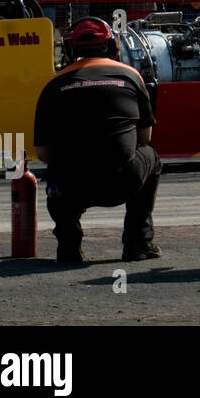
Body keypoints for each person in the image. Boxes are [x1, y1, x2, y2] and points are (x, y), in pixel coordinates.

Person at [33, 17, 162, 264]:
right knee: (152, 159)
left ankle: (69, 246)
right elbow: (145, 139)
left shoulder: (53, 85)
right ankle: (138, 243)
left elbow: (43, 154)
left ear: (70, 50)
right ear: (113, 47)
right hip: (122, 181)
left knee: (55, 175)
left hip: (72, 187)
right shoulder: (132, 76)